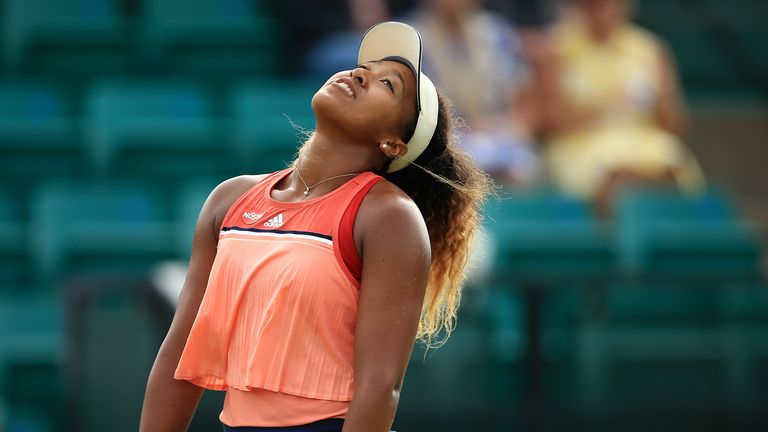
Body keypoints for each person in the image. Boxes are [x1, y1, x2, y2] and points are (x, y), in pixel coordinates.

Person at [139, 22, 491, 432]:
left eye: (387, 84)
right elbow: (177, 357)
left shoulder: (388, 216)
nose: (360, 73)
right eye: (367, 66)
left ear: (393, 144)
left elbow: (380, 388)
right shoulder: (229, 198)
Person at [544, 0, 705, 215]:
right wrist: (610, 107)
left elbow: (676, 127)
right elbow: (550, 120)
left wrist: (664, 99)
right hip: (582, 144)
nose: (603, 10)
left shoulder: (649, 48)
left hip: (646, 142)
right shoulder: (556, 47)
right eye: (593, 5)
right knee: (609, 174)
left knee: (672, 163)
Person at [407, 0, 544, 186]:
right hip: (440, 136)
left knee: (523, 166)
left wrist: (503, 126)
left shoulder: (498, 33)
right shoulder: (410, 37)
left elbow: (522, 99)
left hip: (498, 130)